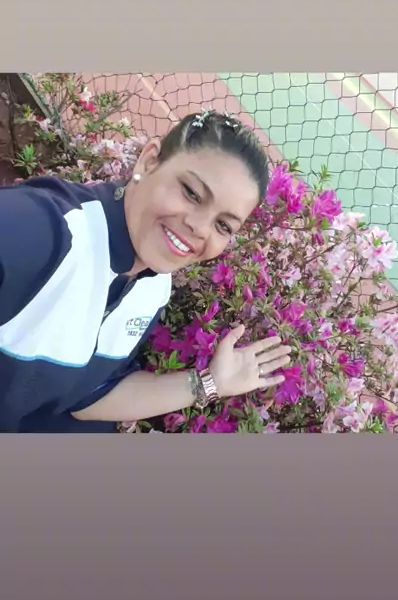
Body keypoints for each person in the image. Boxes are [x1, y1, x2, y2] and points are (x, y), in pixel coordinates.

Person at [0, 109, 291, 433]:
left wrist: (211, 382)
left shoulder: (154, 286)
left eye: (223, 225)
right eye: (192, 193)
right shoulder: (44, 230)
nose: (199, 227)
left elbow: (89, 397)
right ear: (149, 161)